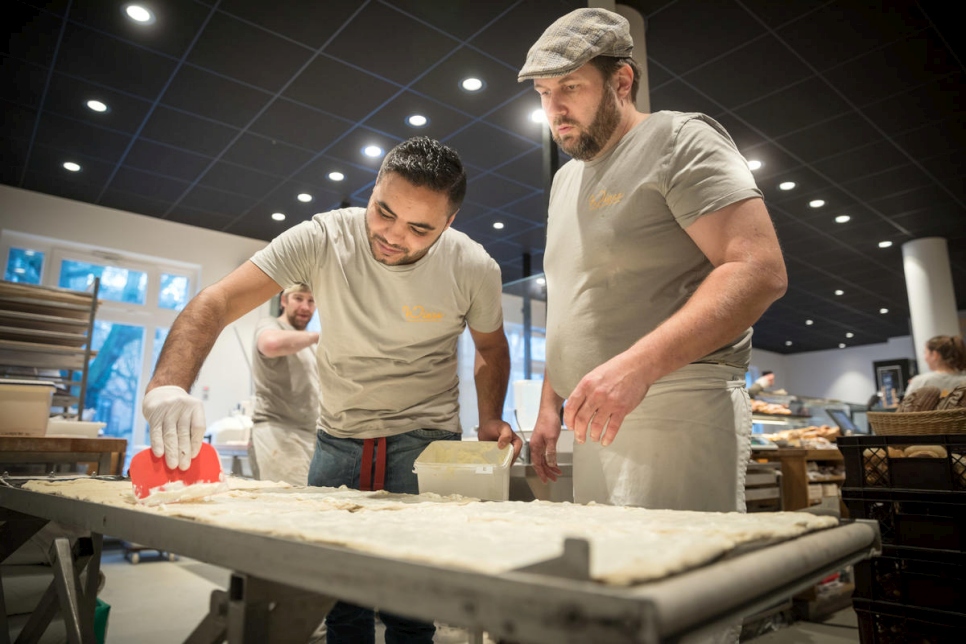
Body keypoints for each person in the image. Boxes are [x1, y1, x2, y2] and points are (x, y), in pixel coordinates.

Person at [142, 136, 522, 644]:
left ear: (448, 224)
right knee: (336, 597)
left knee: (410, 600)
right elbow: (217, 301)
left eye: (418, 228)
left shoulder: (472, 267)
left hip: (425, 438)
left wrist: (491, 417)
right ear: (372, 190)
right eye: (383, 211)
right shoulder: (324, 237)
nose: (391, 235)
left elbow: (492, 349)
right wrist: (168, 386)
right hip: (337, 435)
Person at [518, 8, 788, 514]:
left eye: (570, 87)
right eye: (543, 93)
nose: (553, 108)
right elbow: (574, 299)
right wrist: (550, 404)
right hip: (595, 410)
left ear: (622, 80)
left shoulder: (679, 138)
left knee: (682, 581)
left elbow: (758, 270)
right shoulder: (564, 181)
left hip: (675, 401)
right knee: (616, 581)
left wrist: (636, 367)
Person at [249, 282, 320, 486]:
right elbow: (270, 344)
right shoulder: (270, 325)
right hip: (278, 432)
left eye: (311, 301)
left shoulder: (308, 343)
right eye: (298, 298)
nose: (305, 307)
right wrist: (318, 336)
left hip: (308, 435)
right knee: (290, 509)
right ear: (283, 301)